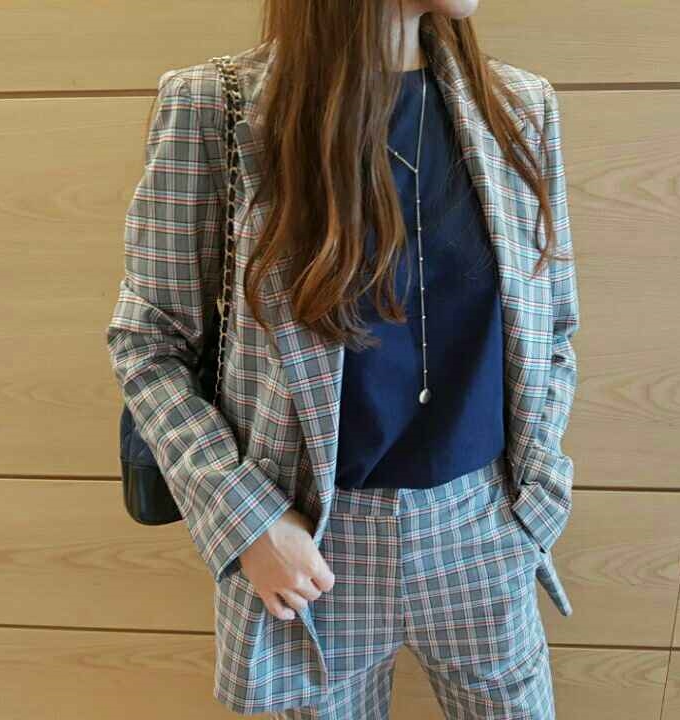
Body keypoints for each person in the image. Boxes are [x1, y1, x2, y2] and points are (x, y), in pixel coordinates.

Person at [106, 0, 580, 717]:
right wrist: (248, 521)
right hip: (309, 547)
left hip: (483, 529)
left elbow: (553, 326)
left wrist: (536, 500)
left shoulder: (518, 107)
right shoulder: (217, 107)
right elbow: (150, 340)